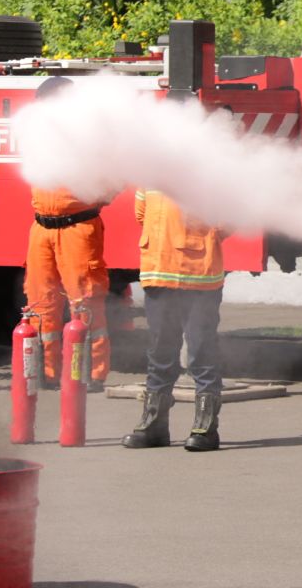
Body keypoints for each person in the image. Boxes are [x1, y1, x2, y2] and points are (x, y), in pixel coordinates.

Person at [24, 76, 112, 391]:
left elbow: (112, 179)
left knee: (85, 301)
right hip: (42, 228)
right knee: (40, 303)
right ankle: (46, 373)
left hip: (78, 227)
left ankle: (91, 373)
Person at [121, 189, 226, 452]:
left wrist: (204, 236)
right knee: (160, 351)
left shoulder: (211, 168)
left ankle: (205, 428)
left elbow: (228, 218)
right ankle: (154, 426)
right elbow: (141, 214)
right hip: (158, 271)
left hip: (198, 273)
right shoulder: (152, 168)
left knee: (201, 351)